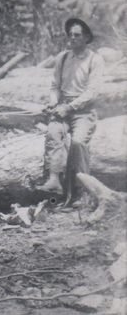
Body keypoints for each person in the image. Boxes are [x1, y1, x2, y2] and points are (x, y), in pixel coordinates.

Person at [39, 17, 105, 204]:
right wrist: (53, 103)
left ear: (86, 37)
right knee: (53, 132)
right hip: (62, 107)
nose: (72, 38)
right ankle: (54, 180)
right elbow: (55, 87)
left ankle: (83, 191)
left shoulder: (95, 59)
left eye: (77, 35)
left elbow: (92, 92)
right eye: (70, 35)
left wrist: (69, 107)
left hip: (83, 110)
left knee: (77, 142)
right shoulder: (63, 57)